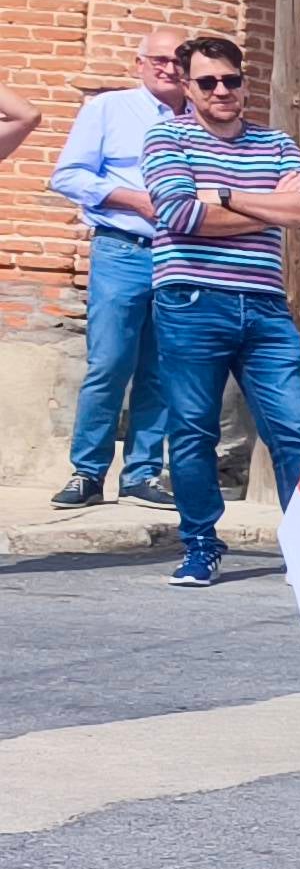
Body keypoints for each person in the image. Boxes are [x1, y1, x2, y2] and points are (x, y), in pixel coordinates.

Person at [140, 36, 300, 589]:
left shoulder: (274, 142)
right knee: (194, 431)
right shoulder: (166, 136)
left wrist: (224, 197)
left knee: (293, 429)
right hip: (192, 300)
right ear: (188, 87)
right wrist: (272, 209)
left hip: (266, 306)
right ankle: (201, 544)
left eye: (232, 80)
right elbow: (178, 213)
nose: (223, 90)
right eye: (208, 82)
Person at [45, 29, 184, 510]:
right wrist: (130, 199)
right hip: (122, 249)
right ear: (140, 63)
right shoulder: (109, 109)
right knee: (108, 364)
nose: (170, 67)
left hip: (180, 254)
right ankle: (87, 471)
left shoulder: (200, 117)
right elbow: (67, 175)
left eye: (179, 59)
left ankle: (143, 473)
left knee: (163, 368)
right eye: (160, 59)